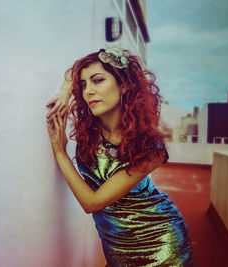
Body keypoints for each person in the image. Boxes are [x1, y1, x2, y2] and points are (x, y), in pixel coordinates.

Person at [46, 46, 194, 267]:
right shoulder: (90, 130)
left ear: (124, 84)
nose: (88, 91)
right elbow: (75, 70)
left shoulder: (151, 148)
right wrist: (65, 92)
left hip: (159, 242)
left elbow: (92, 203)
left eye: (98, 81)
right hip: (115, 245)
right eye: (84, 85)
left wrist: (60, 153)